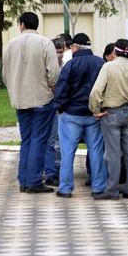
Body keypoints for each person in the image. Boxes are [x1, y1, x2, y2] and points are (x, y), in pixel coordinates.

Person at [2, 12, 60, 194]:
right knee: (39, 139)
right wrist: (52, 89)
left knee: (26, 139)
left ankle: (24, 180)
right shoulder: (45, 43)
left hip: (20, 99)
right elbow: (53, 74)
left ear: (21, 25)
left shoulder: (10, 44)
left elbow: (5, 74)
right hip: (42, 98)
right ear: (37, 25)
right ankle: (33, 181)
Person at [89, 39, 128, 200]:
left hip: (111, 112)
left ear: (115, 51)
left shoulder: (108, 66)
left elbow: (96, 91)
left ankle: (112, 190)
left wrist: (96, 109)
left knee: (113, 153)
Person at [53, 33, 107, 198]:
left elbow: (62, 90)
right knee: (96, 151)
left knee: (68, 153)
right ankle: (98, 188)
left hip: (71, 115)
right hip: (94, 115)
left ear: (76, 47)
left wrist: (59, 108)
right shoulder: (101, 63)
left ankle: (66, 188)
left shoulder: (70, 65)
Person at [44, 38, 64, 187]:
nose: (58, 55)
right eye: (56, 52)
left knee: (57, 141)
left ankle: (56, 170)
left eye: (60, 52)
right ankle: (51, 171)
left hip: (61, 107)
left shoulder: (66, 66)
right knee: (51, 140)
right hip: (49, 105)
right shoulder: (46, 66)